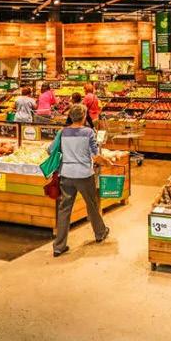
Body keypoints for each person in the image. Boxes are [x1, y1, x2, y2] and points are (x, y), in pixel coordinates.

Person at [49, 104, 112, 257]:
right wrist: (107, 162)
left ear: (70, 116)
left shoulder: (62, 132)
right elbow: (95, 156)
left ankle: (59, 246)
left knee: (64, 209)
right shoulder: (88, 132)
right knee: (91, 204)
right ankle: (100, 232)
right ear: (84, 117)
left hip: (66, 174)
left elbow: (50, 150)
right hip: (84, 175)